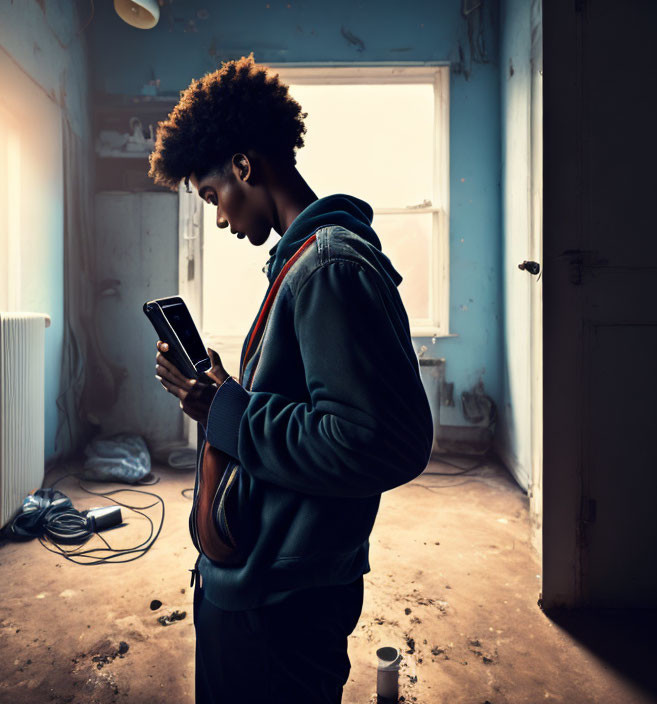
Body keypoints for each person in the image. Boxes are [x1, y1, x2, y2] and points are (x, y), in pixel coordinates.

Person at [148, 54, 433, 704]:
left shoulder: (328, 268)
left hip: (281, 600)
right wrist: (221, 397)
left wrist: (229, 411)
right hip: (270, 577)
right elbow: (298, 404)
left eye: (214, 196)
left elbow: (377, 440)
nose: (218, 217)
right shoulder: (303, 263)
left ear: (245, 167)